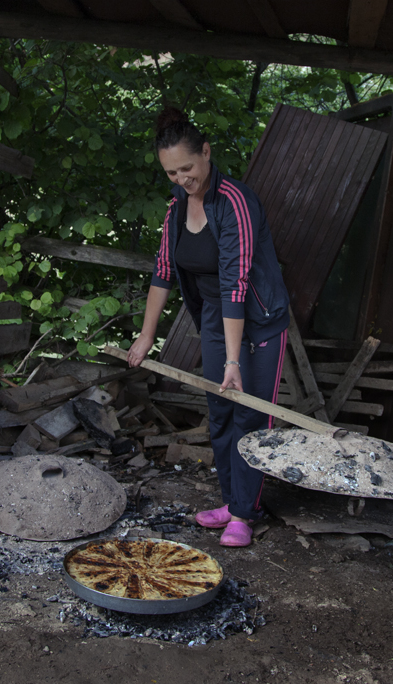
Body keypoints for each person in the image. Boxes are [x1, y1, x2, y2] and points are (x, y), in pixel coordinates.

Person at [127, 107, 290, 547]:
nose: (181, 179)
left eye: (187, 168)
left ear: (206, 152)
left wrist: (234, 360)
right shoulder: (176, 209)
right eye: (171, 173)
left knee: (249, 414)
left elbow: (235, 281)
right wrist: (146, 336)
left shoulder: (235, 201)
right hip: (218, 319)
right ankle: (231, 501)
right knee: (219, 412)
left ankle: (245, 513)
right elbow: (163, 271)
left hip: (257, 321)